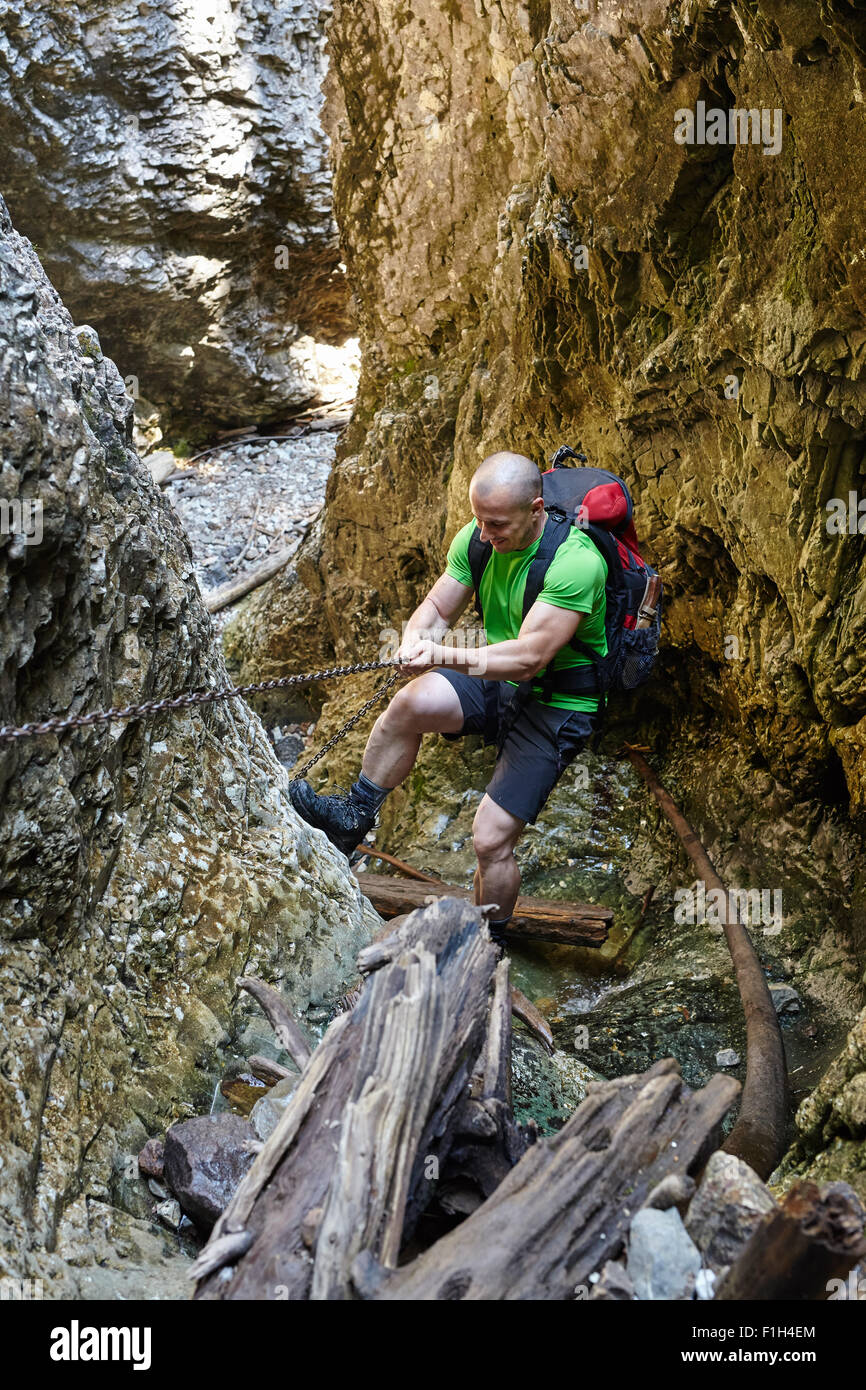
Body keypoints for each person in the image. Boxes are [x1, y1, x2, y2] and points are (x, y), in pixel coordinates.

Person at [289, 450, 607, 951]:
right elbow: (438, 605)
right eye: (479, 521)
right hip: (496, 674)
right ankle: (355, 814)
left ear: (538, 509)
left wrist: (442, 653)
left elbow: (527, 659)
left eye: (497, 524)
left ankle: (488, 943)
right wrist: (417, 640)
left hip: (557, 698)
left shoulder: (577, 563)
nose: (484, 535)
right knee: (410, 705)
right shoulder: (478, 537)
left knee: (490, 841)